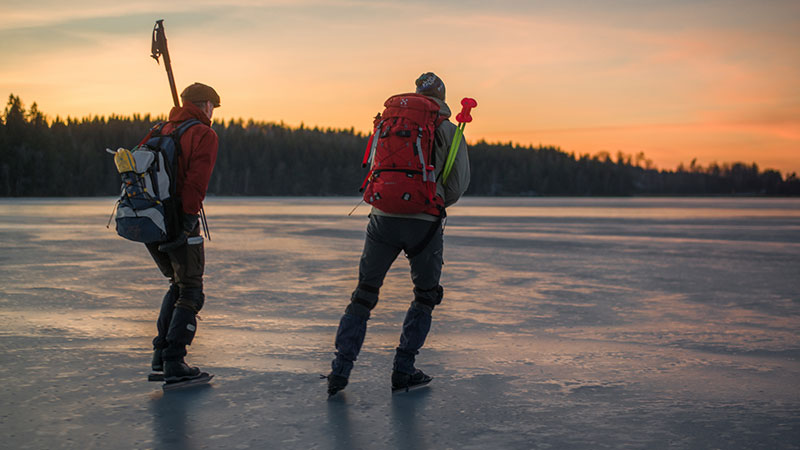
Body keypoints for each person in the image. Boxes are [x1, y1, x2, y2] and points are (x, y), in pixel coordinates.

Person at [327, 72, 470, 395]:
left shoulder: (388, 122)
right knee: (425, 294)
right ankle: (403, 369)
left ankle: (340, 371)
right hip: (424, 221)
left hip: (381, 218)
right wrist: (430, 201)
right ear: (442, 98)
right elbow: (458, 184)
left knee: (364, 293)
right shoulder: (449, 128)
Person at [148, 82, 220, 383]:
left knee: (177, 284)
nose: (213, 113)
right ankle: (174, 360)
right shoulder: (204, 134)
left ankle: (161, 355)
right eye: (213, 107)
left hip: (152, 219)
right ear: (204, 104)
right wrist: (189, 220)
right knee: (190, 289)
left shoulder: (159, 130)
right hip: (179, 218)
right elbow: (196, 182)